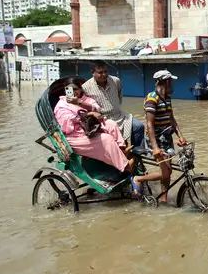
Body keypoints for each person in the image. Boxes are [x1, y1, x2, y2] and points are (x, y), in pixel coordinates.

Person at [54, 77, 131, 173]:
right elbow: (67, 121)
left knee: (111, 124)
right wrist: (89, 114)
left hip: (90, 128)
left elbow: (97, 109)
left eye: (75, 89)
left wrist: (80, 103)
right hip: (74, 135)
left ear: (80, 89)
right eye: (69, 89)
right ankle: (125, 166)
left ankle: (122, 150)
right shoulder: (61, 105)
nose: (73, 92)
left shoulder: (84, 99)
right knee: (106, 139)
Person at [131, 70, 187, 202]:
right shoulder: (152, 98)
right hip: (155, 140)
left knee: (167, 173)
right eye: (171, 82)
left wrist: (180, 136)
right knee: (166, 172)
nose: (172, 85)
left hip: (166, 139)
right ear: (166, 82)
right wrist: (155, 147)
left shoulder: (167, 98)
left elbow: (171, 119)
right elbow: (149, 125)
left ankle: (164, 199)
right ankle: (138, 179)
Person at [83, 61, 145, 151]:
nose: (104, 74)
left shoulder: (115, 80)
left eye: (105, 71)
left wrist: (114, 107)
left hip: (119, 115)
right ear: (93, 73)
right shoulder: (86, 87)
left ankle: (137, 153)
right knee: (111, 141)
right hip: (102, 119)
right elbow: (86, 107)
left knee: (138, 126)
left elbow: (120, 95)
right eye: (100, 72)